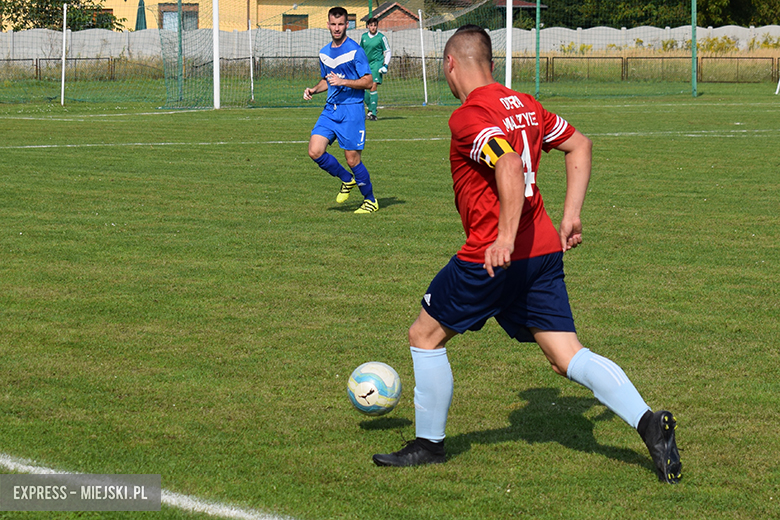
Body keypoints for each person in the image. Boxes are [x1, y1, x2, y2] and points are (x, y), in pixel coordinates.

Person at [372, 25, 682, 484]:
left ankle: (429, 445)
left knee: (425, 335)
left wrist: (503, 237)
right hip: (541, 254)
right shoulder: (527, 105)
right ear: (492, 64)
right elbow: (580, 143)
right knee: (565, 354)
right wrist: (571, 214)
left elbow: (508, 164)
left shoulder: (468, 116)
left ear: (450, 64)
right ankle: (647, 422)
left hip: (493, 256)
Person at [303, 7, 378, 214]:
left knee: (352, 159)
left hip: (352, 110)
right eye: (333, 24)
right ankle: (346, 179)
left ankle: (370, 200)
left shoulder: (356, 50)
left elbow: (368, 81)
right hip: (331, 110)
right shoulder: (324, 53)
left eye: (341, 24)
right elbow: (326, 81)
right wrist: (313, 90)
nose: (337, 28)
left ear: (347, 25)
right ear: (328, 25)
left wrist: (343, 80)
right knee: (314, 151)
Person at [359, 17, 392, 121]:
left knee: (373, 86)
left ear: (377, 26)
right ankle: (371, 108)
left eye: (375, 25)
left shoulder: (381, 37)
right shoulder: (364, 37)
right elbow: (360, 51)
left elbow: (388, 51)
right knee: (361, 88)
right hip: (365, 65)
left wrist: (385, 65)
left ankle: (373, 113)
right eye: (371, 25)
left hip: (376, 64)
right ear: (368, 26)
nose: (373, 27)